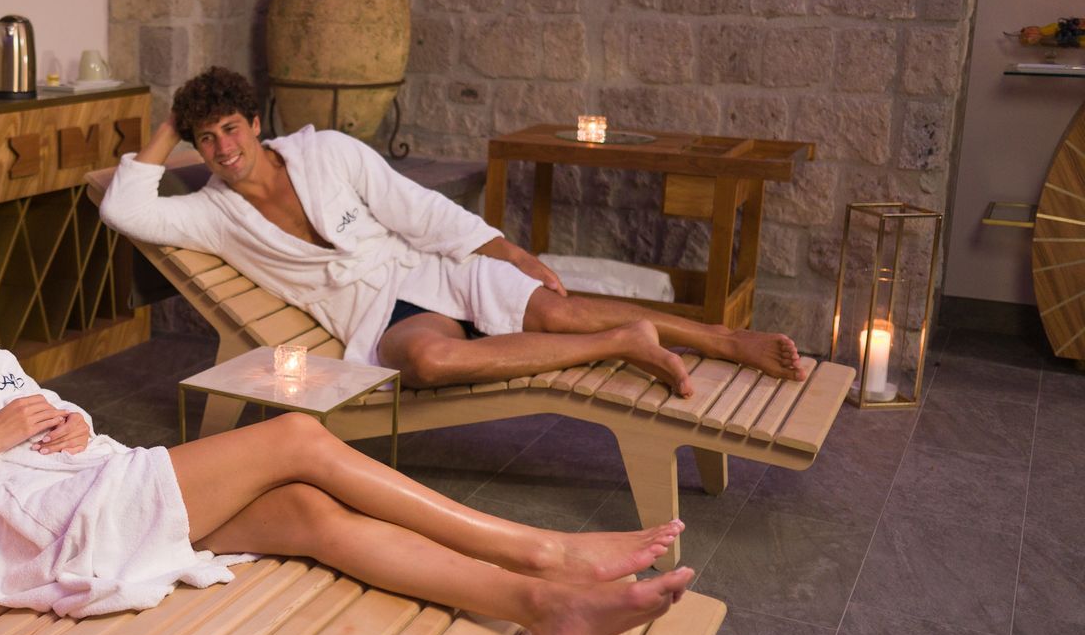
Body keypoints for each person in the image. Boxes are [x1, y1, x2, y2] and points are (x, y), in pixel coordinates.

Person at [0, 209, 695, 635]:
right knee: (296, 437)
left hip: (86, 476)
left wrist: (55, 413)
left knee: (310, 514)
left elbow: (19, 390)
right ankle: (550, 550)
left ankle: (539, 606)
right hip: (50, 528)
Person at [98, 67, 807, 396]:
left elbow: (417, 209)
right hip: (375, 314)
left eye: (230, 128)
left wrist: (508, 249)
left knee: (557, 307)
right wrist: (169, 121)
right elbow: (124, 209)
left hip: (428, 270)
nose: (222, 149)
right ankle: (617, 345)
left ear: (254, 124)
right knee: (429, 364)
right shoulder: (212, 214)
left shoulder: (327, 154)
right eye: (205, 138)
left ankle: (724, 339)